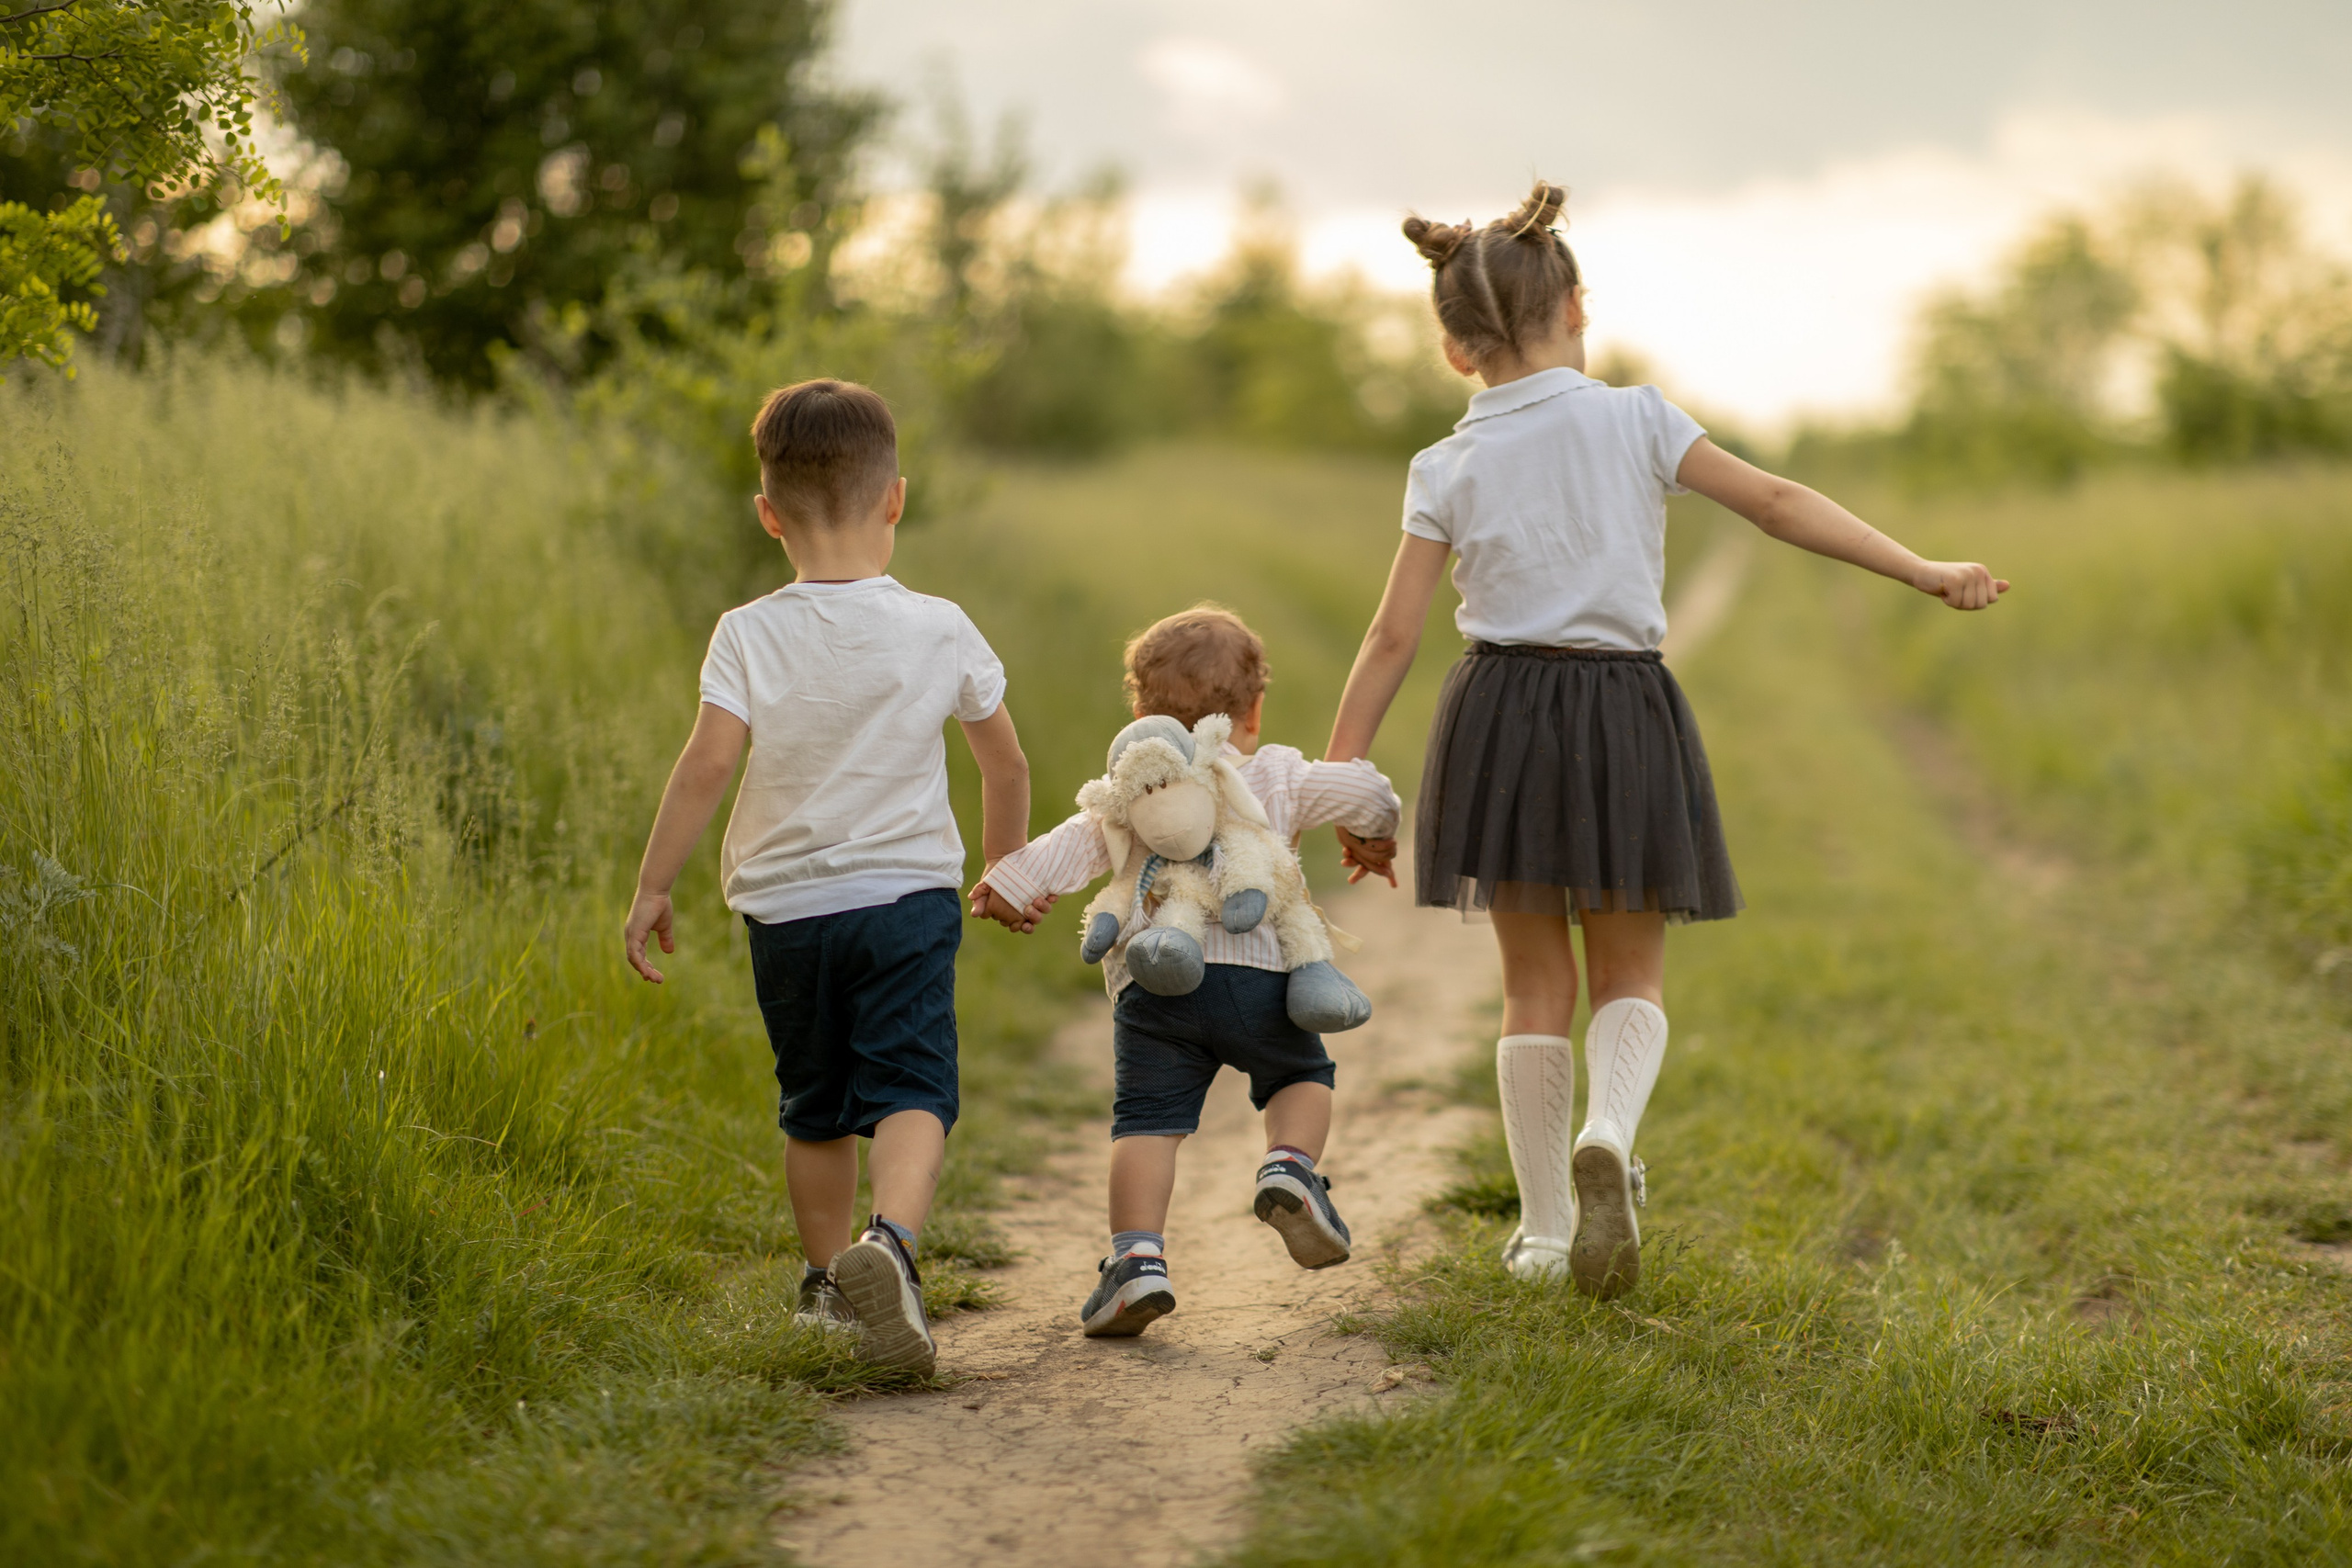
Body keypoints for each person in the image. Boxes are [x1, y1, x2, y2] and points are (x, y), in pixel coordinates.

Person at [1325, 181, 2007, 1300]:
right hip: (1621, 708)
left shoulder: (1443, 465)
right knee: (1629, 970)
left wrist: (1342, 776)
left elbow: (1392, 633)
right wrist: (1921, 568)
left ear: (1454, 351)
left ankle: (1546, 1234)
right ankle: (1609, 1131)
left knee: (1530, 984)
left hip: (1497, 711)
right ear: (1577, 308)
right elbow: (1778, 502)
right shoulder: (1638, 418)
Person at [622, 378, 1032, 1373]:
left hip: (788, 909)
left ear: (769, 516)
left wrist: (652, 886)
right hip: (907, 901)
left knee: (814, 1104)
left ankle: (825, 1290)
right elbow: (1004, 763)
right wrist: (1006, 866)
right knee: (911, 1085)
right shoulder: (939, 625)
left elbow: (707, 765)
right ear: (895, 498)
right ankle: (887, 1246)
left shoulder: (747, 632)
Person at [971, 606, 1402, 1337]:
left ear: (1137, 713)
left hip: (1156, 990)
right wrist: (1373, 832)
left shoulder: (1130, 790)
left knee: (1146, 1121)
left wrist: (1006, 885)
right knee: (1301, 1076)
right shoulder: (1278, 772)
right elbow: (1367, 791)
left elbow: (1065, 847)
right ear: (1254, 710)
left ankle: (1136, 1261)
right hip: (1264, 979)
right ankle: (1290, 1167)